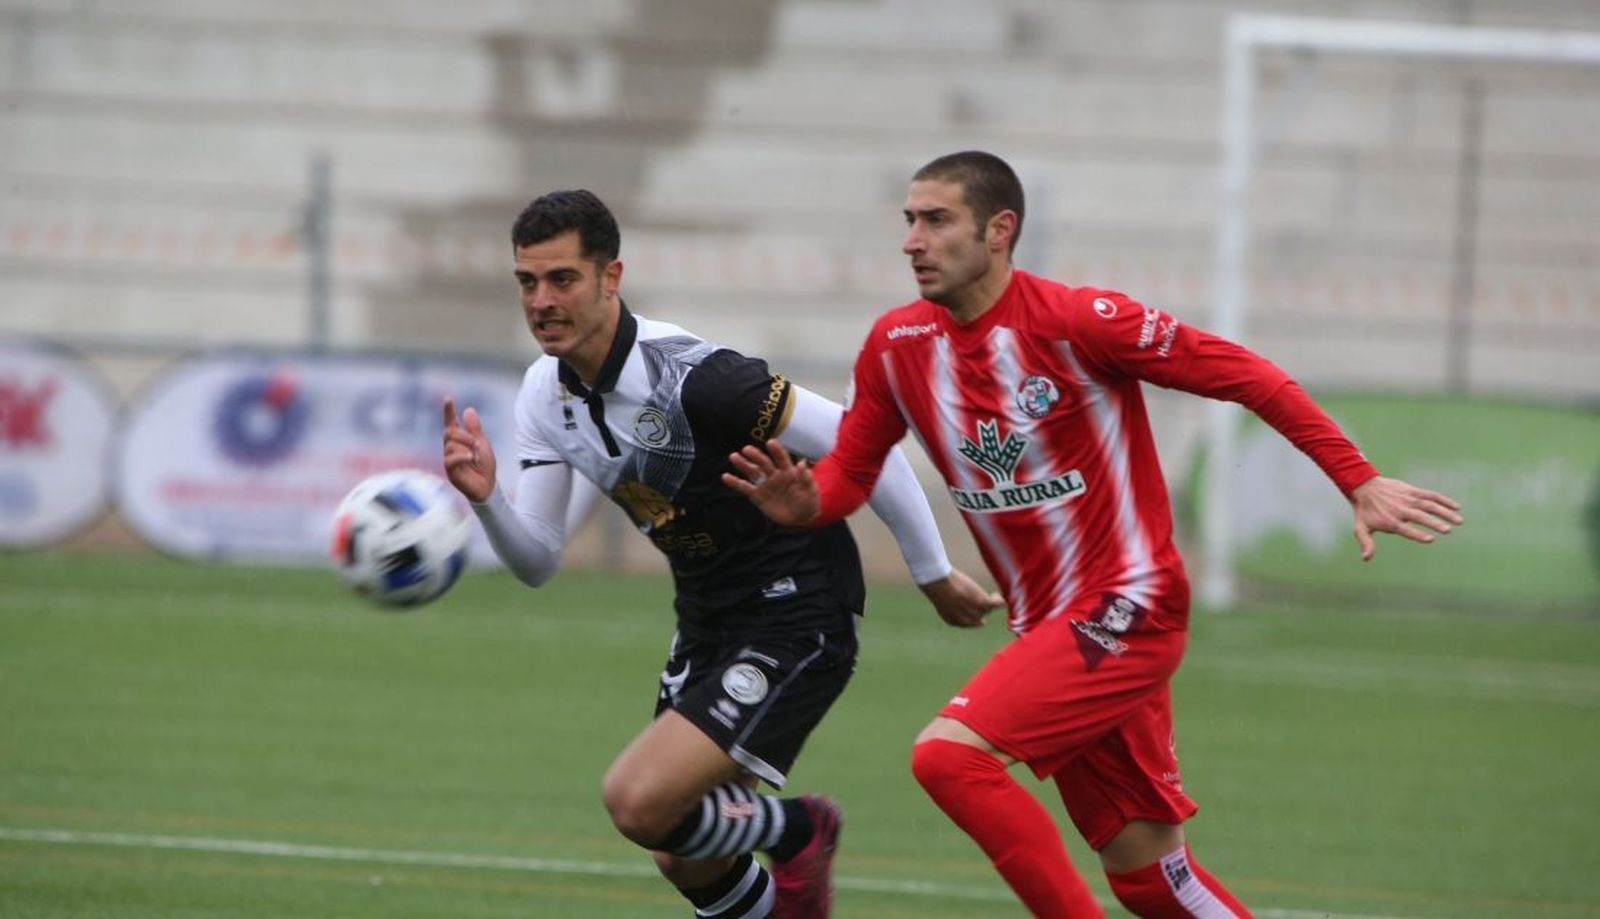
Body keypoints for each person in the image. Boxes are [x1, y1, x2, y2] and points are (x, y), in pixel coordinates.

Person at [724, 151, 1464, 917]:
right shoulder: (897, 346)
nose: (913, 239)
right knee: (1149, 877)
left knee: (948, 757)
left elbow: (1246, 373)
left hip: (1129, 605)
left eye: (936, 220)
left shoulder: (1079, 322)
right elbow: (854, 469)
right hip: (1052, 629)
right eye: (909, 220)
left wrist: (1358, 477)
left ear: (1000, 230)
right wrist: (810, 503)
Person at [441, 189, 999, 919]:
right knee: (684, 849)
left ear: (612, 277)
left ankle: (803, 828)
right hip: (708, 621)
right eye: (527, 281)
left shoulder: (699, 379)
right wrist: (487, 499)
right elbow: (539, 559)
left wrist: (932, 573)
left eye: (563, 279)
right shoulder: (546, 395)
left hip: (799, 610)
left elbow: (874, 447)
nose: (542, 300)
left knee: (638, 800)